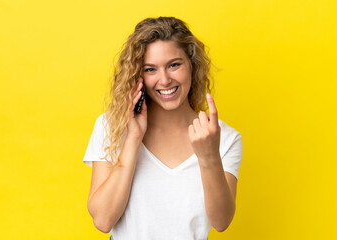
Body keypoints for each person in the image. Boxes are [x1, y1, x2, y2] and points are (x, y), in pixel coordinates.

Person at [83, 16, 243, 240]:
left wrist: (208, 157)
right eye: (151, 69)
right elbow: (103, 220)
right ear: (138, 76)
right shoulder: (111, 127)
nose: (165, 80)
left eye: (174, 65)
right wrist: (132, 141)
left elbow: (221, 221)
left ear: (192, 66)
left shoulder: (224, 138)